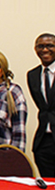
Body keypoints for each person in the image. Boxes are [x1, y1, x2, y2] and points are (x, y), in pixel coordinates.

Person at [27, 33, 55, 177]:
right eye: (41, 46)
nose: (45, 50)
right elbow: (43, 107)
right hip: (43, 141)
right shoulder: (32, 75)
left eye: (50, 45)